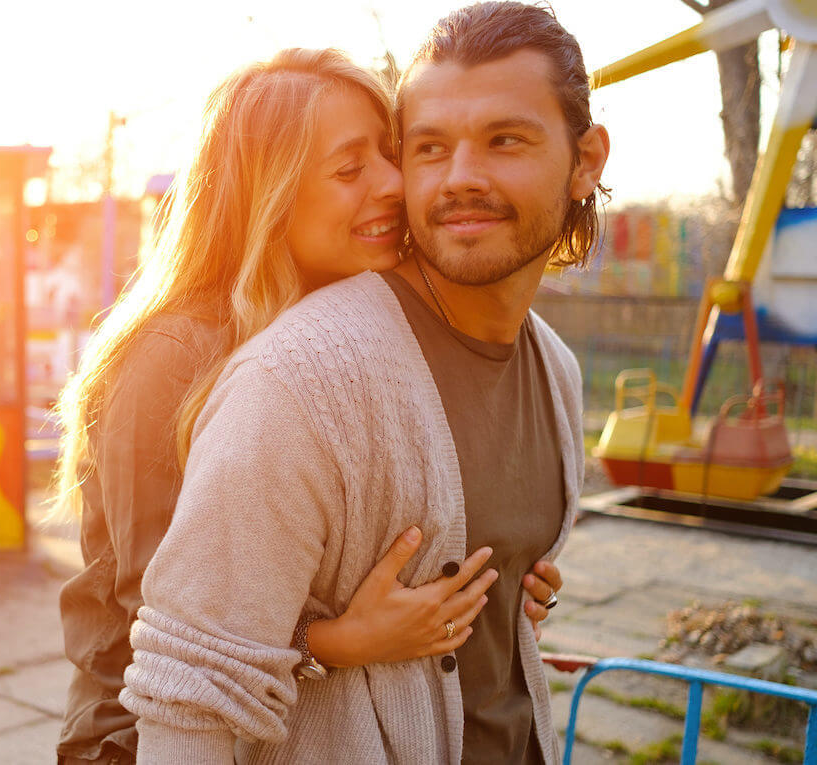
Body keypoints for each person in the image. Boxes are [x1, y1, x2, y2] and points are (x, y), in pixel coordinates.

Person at [120, 4, 609, 763]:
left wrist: (512, 587)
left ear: (587, 161)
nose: (459, 178)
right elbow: (187, 688)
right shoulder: (292, 380)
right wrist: (329, 642)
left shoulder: (558, 371)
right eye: (429, 147)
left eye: (505, 140)